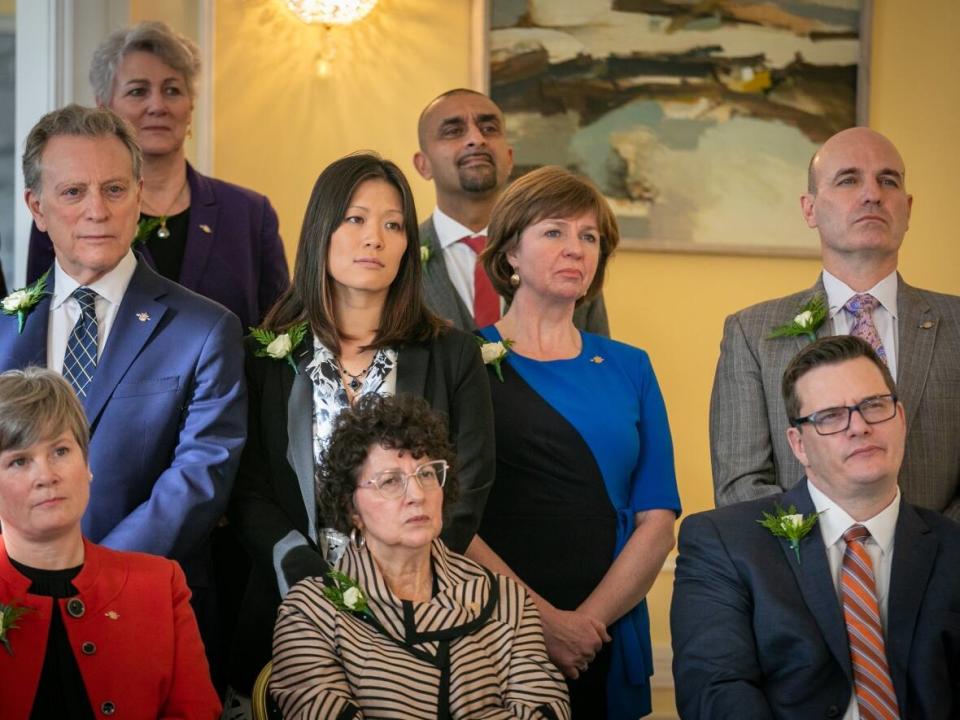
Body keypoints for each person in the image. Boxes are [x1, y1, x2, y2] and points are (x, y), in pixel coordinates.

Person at [228, 152, 494, 698]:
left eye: (392, 224)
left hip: (421, 611)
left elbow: (468, 484)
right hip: (290, 609)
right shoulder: (266, 358)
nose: (374, 238)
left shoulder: (453, 355)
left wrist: (398, 579)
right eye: (355, 219)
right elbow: (249, 491)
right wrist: (305, 577)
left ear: (406, 247)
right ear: (321, 230)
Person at [0, 104, 246, 663]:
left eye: (114, 189)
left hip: (148, 607)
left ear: (139, 195)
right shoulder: (3, 329)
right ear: (36, 207)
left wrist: (94, 580)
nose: (97, 211)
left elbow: (200, 478)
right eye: (73, 193)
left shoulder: (206, 329)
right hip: (14, 610)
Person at [467, 165, 680, 719]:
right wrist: (542, 623)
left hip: (605, 634)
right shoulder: (461, 360)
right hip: (491, 630)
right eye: (555, 231)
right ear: (510, 252)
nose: (576, 249)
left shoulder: (632, 367)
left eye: (589, 238)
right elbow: (449, 514)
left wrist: (585, 626)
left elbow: (657, 518)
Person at [673, 335, 960, 719]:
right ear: (799, 445)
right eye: (830, 416)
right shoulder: (723, 542)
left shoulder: (952, 547)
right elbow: (715, 690)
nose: (858, 426)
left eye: (874, 406)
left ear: (901, 419)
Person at [710, 127, 960, 520]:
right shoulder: (751, 334)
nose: (872, 194)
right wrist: (830, 553)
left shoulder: (956, 325)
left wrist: (930, 555)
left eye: (888, 180)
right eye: (848, 179)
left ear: (908, 208)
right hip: (802, 574)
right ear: (809, 209)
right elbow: (743, 484)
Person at [270, 393, 570, 719]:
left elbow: (548, 711)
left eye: (427, 474)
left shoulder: (506, 599)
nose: (416, 495)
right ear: (350, 507)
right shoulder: (311, 610)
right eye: (390, 481)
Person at [25, 20, 289, 330]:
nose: (157, 105)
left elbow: (281, 334)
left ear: (190, 106)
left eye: (172, 90)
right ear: (104, 106)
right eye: (138, 91)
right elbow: (42, 321)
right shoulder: (69, 214)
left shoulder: (249, 214)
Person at [0, 367, 222, 718]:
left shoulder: (161, 585)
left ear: (87, 463)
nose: (46, 476)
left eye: (60, 451)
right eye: (19, 461)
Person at [413, 88, 609, 335]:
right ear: (423, 165)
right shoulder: (399, 258)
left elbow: (597, 362)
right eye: (454, 131)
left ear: (509, 157)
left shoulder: (570, 255)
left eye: (489, 129)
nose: (476, 139)